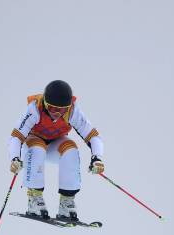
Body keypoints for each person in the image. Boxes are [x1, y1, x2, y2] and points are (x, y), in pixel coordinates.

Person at [8, 80, 104, 221]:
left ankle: (66, 201)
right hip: (34, 141)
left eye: (62, 109)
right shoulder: (35, 108)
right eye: (53, 109)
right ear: (46, 104)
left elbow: (93, 135)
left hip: (55, 143)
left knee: (71, 149)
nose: (57, 114)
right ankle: (34, 198)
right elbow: (16, 136)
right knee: (37, 148)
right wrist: (15, 157)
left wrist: (97, 158)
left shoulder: (73, 111)